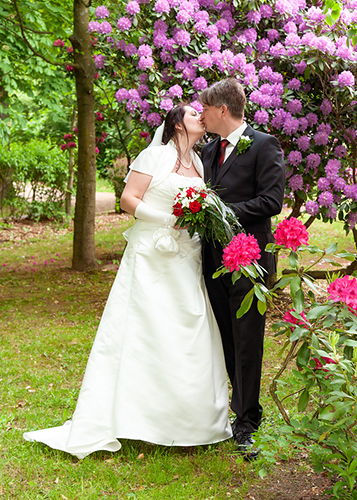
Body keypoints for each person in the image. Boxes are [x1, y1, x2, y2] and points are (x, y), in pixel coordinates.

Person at [23, 103, 232, 459]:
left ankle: (188, 421)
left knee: (188, 328)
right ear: (177, 124)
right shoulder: (153, 156)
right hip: (152, 255)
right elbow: (127, 199)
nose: (200, 115)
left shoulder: (198, 163)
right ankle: (134, 416)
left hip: (186, 256)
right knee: (145, 331)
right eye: (192, 113)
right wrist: (167, 219)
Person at [198, 78, 285, 459]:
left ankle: (248, 421)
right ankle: (228, 410)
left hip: (249, 258)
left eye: (204, 109)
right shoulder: (207, 150)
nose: (200, 115)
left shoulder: (264, 145)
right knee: (224, 338)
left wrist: (223, 213)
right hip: (211, 260)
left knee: (248, 339)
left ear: (222, 110)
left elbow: (272, 200)